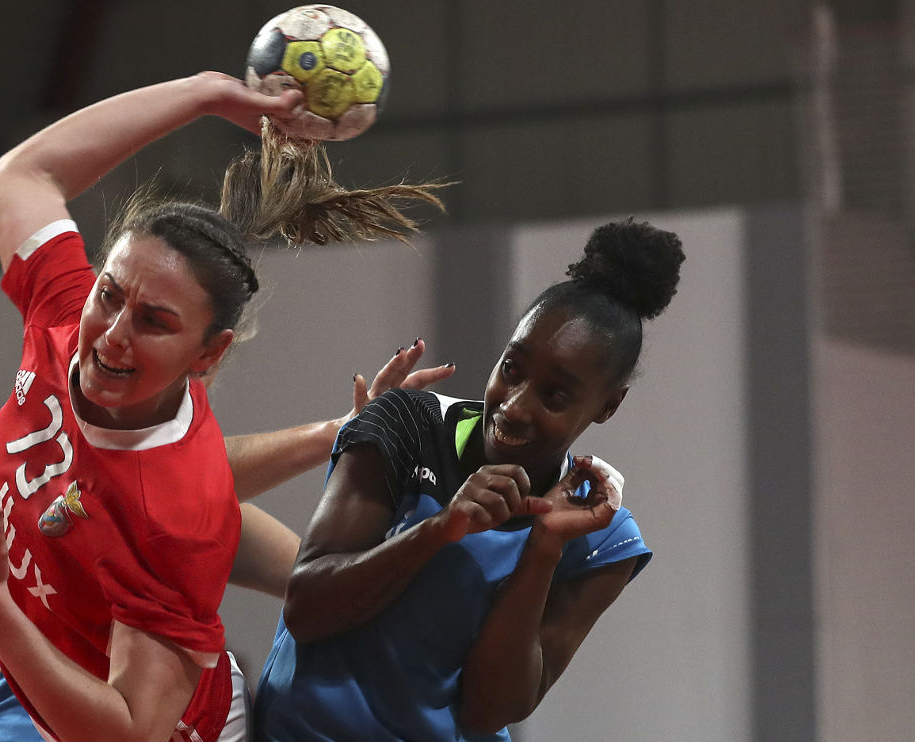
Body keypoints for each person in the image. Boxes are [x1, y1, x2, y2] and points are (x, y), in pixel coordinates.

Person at [0, 70, 447, 742]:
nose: (111, 334)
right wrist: (204, 95)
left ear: (209, 353)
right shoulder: (60, 313)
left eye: (153, 321)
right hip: (40, 655)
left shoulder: (177, 510)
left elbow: (131, 730)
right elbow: (23, 174)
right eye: (109, 294)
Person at [252, 218, 685, 741]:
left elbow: (488, 710)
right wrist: (439, 530)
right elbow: (307, 610)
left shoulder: (601, 532)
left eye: (555, 395)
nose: (514, 405)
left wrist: (544, 547)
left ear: (607, 406)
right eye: (512, 368)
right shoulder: (406, 423)